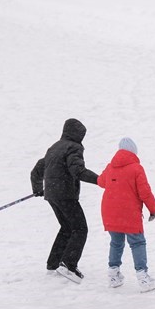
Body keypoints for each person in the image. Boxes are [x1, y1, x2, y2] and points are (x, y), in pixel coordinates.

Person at [31, 118, 99, 283]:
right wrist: (99, 180)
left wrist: (38, 189)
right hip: (65, 194)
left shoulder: (54, 147)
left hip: (52, 195)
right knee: (80, 228)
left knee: (67, 228)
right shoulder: (74, 147)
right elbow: (77, 170)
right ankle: (68, 265)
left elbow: (36, 171)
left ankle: (53, 264)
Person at [97, 137, 155, 293]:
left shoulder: (111, 167)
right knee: (137, 243)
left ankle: (113, 275)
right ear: (134, 152)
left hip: (110, 212)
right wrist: (153, 209)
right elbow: (145, 192)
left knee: (116, 242)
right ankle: (143, 277)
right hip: (129, 212)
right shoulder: (136, 168)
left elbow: (101, 182)